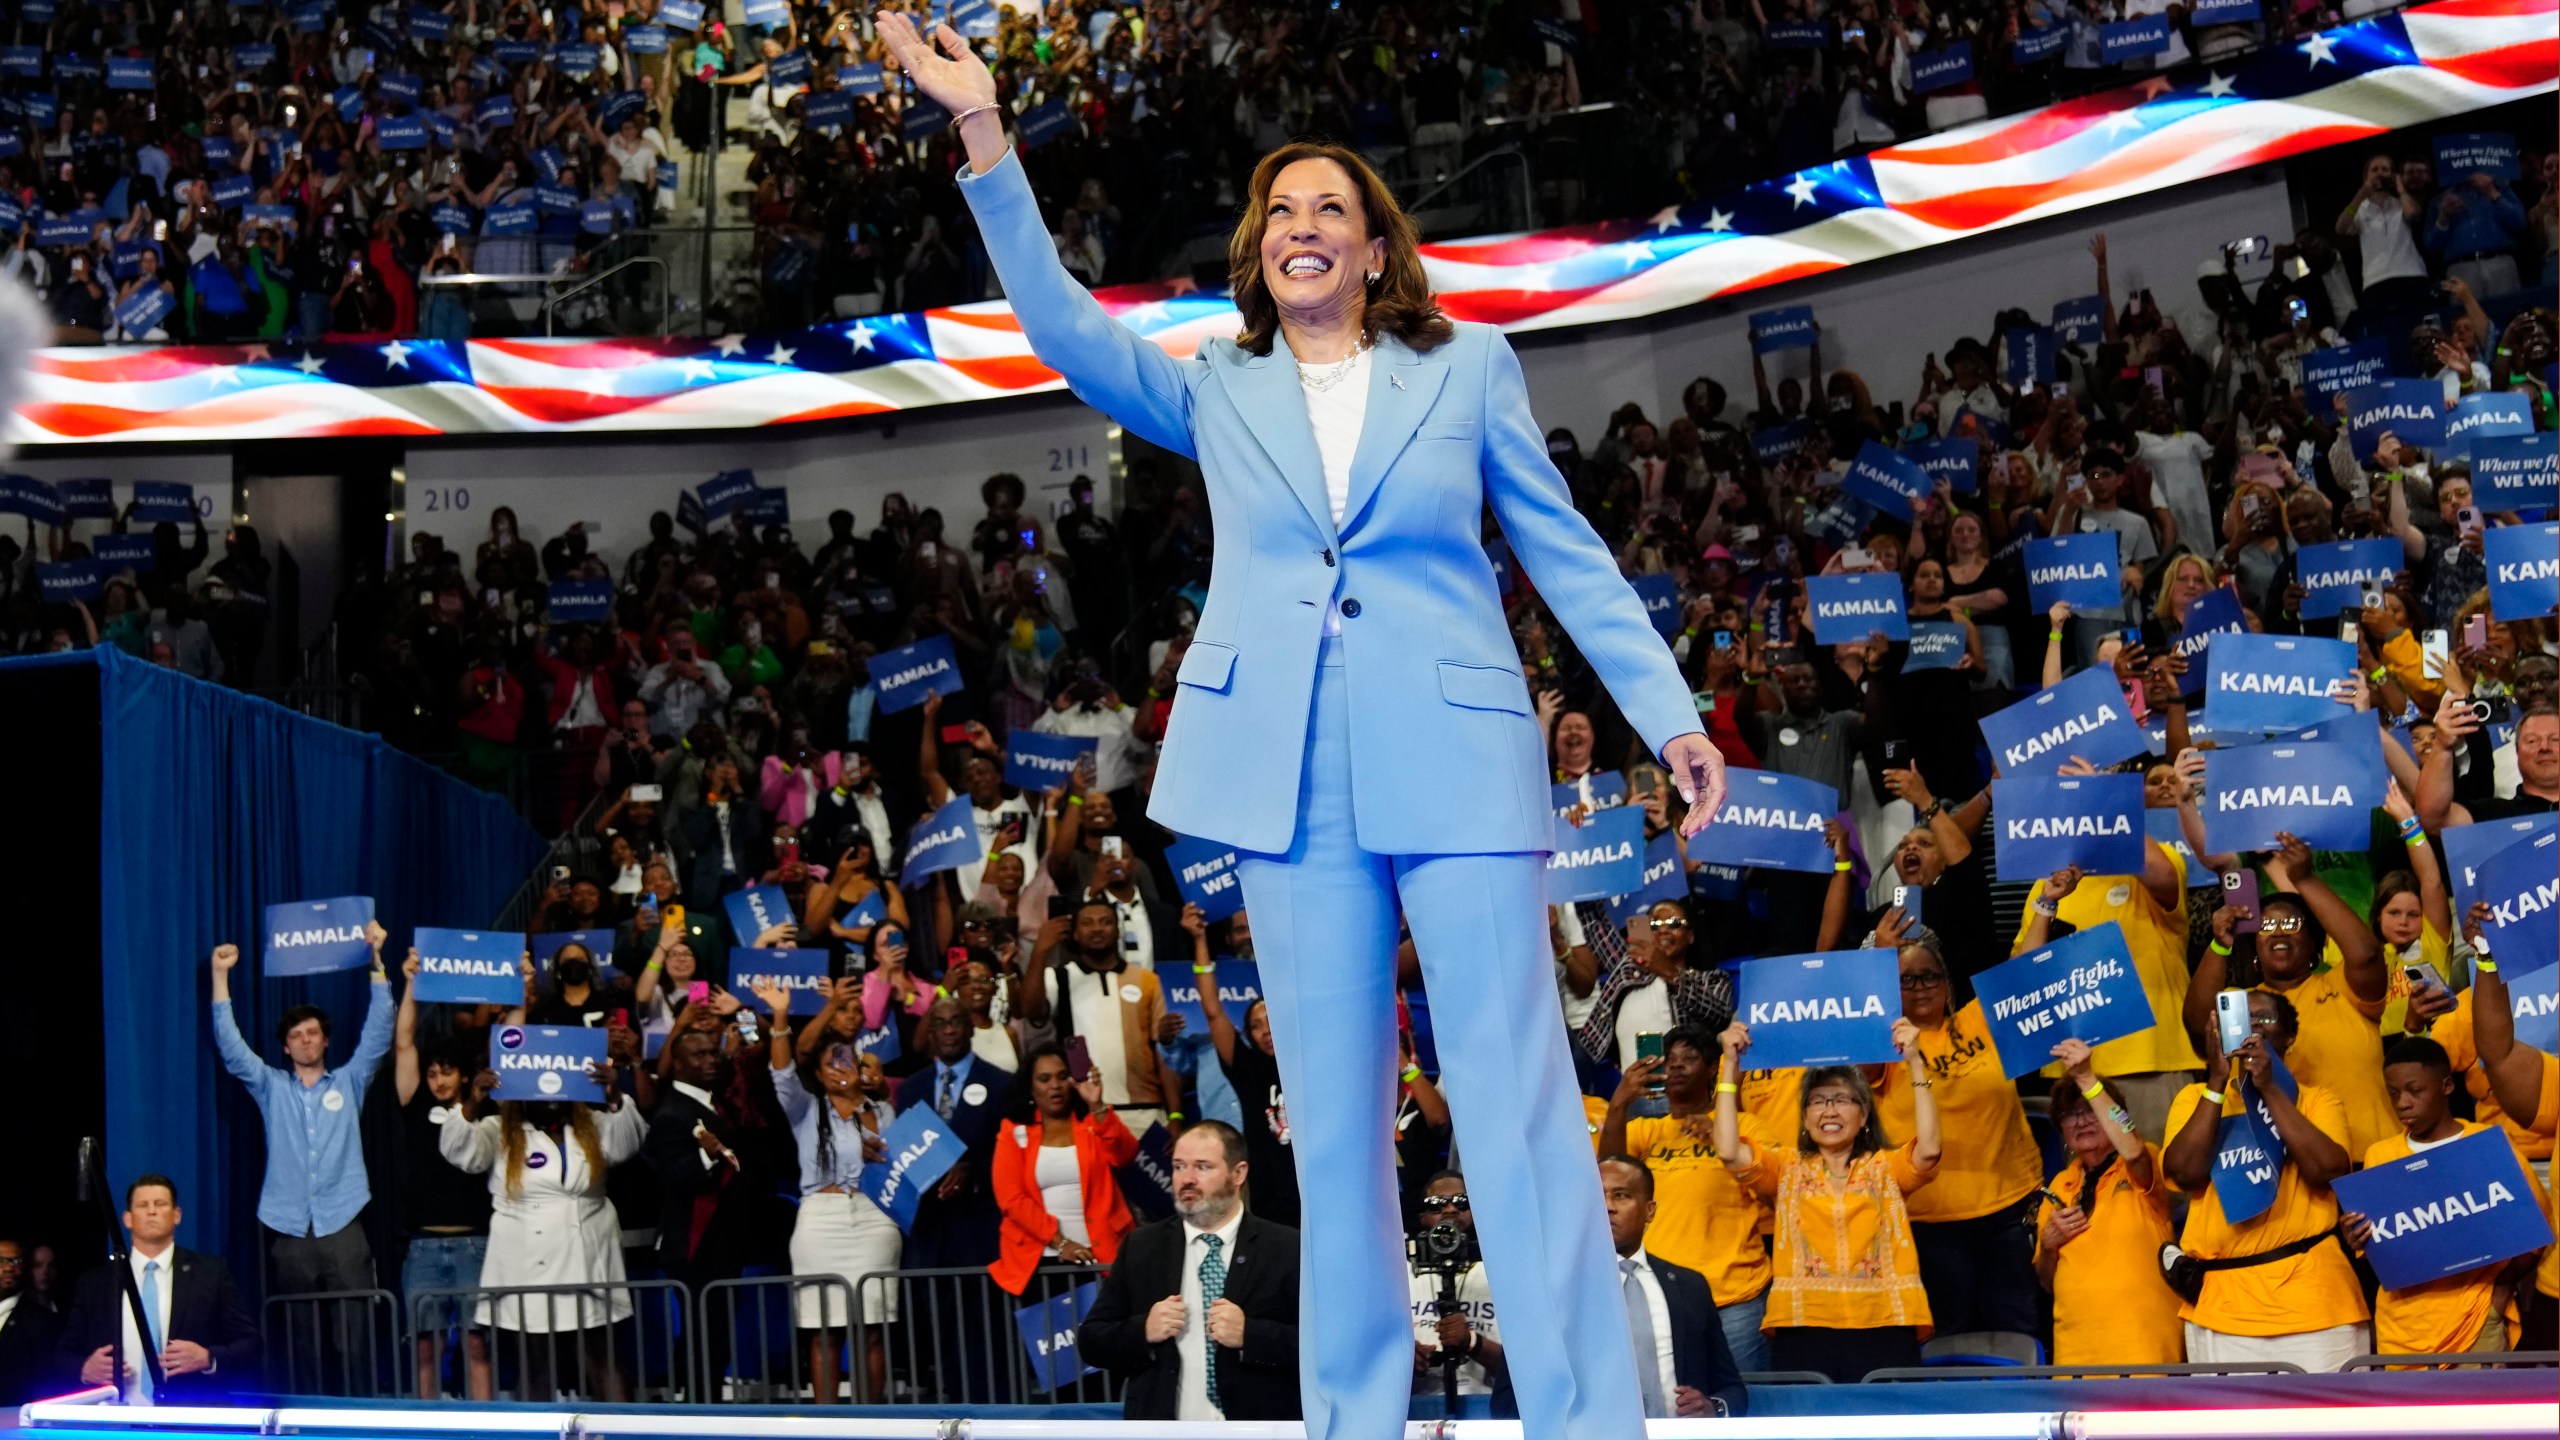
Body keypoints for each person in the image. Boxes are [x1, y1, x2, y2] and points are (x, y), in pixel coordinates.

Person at [884, 17, 1725, 1438]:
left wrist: (1670, 714)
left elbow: (1566, 548)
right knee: (1332, 1136)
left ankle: (1585, 1421)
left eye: (1331, 206)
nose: (1302, 224)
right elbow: (1064, 330)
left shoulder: (1466, 370)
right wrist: (985, 138)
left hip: (1458, 764)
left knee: (1516, 1110)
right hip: (1286, 785)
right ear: (1260, 253)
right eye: (1280, 211)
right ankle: (1353, 1421)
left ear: (1378, 249)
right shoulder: (1219, 384)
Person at [1713, 1018, 1941, 1382]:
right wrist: (1729, 1067)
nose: (1829, 1111)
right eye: (1818, 1102)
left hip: (1885, 1326)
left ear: (1864, 1115)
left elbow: (1928, 1150)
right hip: (1804, 1329)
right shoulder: (1786, 1167)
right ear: (1805, 1118)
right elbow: (1727, 1149)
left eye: (1842, 1100)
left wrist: (1915, 1062)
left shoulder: (1884, 1167)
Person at [2160, 989, 2368, 1371]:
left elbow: (2327, 1172)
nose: (2251, 1027)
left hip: (2316, 1306)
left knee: (2331, 1430)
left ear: (2289, 1037)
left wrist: (2270, 1089)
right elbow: (2184, 1173)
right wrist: (2218, 1081)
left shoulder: (2318, 1100)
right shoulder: (2195, 1099)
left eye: (2263, 1020)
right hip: (2219, 1311)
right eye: (2242, 1018)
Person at [437, 1050, 646, 1401]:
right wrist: (473, 1102)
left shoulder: (591, 1126)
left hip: (588, 1257)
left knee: (603, 1358)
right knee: (536, 1367)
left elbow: (628, 1143)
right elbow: (459, 1151)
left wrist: (615, 1097)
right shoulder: (500, 1131)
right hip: (527, 1264)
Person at [1867, 921, 2041, 1339]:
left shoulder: (1978, 1020)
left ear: (1946, 981)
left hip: (2010, 1209)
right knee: (1946, 1337)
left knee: (2016, 1330)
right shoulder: (1885, 1045)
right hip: (1930, 1219)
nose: (1922, 986)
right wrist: (1878, 961)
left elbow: (2024, 972)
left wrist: (2045, 904)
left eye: (1931, 975)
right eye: (1907, 980)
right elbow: (1862, 1017)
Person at [207, 934, 393, 1301]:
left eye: (313, 1033)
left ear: (326, 1041)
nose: (306, 1040)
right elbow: (232, 1050)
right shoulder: (272, 1088)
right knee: (299, 1338)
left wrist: (377, 962)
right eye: (297, 1035)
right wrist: (219, 976)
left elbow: (379, 1032)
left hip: (344, 1220)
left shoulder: (349, 1079)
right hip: (289, 1225)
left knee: (355, 1333)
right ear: (286, 1047)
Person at [1078, 1121, 1304, 1420]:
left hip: (1256, 1427)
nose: (1187, 1179)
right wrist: (1143, 1330)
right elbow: (1092, 1341)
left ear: (1238, 1174)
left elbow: (1321, 1348)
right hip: (1166, 1428)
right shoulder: (1143, 1246)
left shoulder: (1285, 1247)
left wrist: (1252, 1335)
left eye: (1202, 1167)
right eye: (1179, 1166)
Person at [2340, 1036, 2549, 1356]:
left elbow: (2536, 1230)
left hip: (2475, 1320)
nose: (2402, 1103)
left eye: (2415, 1090)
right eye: (2393, 1093)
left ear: (2447, 1086)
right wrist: (2358, 1237)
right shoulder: (2380, 1155)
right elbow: (2382, 1248)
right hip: (2400, 1328)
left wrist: (2502, 1287)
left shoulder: (2487, 1143)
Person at [1594, 1027, 1773, 1372]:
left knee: (1741, 1404)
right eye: (1670, 1060)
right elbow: (1609, 1172)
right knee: (1671, 1403)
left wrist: (1724, 1138)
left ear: (1711, 1069)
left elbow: (1773, 1188)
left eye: (1689, 1059)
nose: (1676, 1066)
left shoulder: (1746, 1125)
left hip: (1736, 1296)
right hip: (1664, 1293)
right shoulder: (1647, 1131)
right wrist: (1619, 1103)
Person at [754, 984, 898, 1404]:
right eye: (829, 1063)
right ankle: (827, 1422)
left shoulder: (883, 1113)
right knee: (824, 1331)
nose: (839, 1067)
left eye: (845, 1058)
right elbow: (781, 1074)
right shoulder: (806, 1109)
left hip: (874, 1220)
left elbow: (904, 1166)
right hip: (820, 1221)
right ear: (817, 1075)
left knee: (872, 1329)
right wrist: (780, 1016)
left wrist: (882, 1158)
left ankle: (873, 1424)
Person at [2035, 1039, 2185, 1366]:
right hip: (2076, 1348)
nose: (2082, 1121)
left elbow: (2132, 1149)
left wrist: (2087, 1079)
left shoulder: (2141, 1164)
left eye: (2091, 1111)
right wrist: (2049, 1244)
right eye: (2070, 1116)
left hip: (2143, 1343)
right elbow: (2046, 1280)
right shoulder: (2059, 1185)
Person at [56, 1176, 259, 1403]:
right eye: (143, 1205)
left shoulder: (210, 1274)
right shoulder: (95, 1282)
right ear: (127, 1219)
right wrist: (85, 1368)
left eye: (160, 1204)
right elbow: (63, 1354)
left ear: (177, 1215)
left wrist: (208, 1358)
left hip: (187, 1418)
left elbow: (250, 1345)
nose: (152, 1211)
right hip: (114, 1419)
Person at [392, 955, 494, 1400]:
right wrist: (411, 983)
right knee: (425, 1348)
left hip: (475, 1242)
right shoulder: (414, 1101)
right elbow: (404, 1044)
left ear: (465, 1075)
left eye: (446, 1072)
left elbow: (514, 1042)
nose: (437, 1080)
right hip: (423, 1245)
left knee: (477, 1344)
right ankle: (425, 1426)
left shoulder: (482, 1110)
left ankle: (487, 1431)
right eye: (432, 1073)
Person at [1597, 1156, 1747, 1418]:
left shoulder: (1690, 1287)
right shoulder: (1558, 1291)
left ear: (1650, 1210)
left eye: (1621, 1196)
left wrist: (1712, 1407)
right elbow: (1510, 1399)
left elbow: (1732, 1388)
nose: (1607, 1206)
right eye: (1597, 1196)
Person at [988, 1043, 1140, 1296]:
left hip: (1102, 1255)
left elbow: (1125, 1155)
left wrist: (1097, 1105)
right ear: (1030, 1086)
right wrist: (1062, 1244)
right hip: (1039, 1260)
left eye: (1062, 1076)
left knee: (1105, 1334)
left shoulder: (1093, 1123)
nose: (1055, 1086)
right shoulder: (1013, 1131)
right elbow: (1011, 1199)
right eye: (1044, 1079)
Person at [1021, 899, 1179, 1132]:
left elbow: (1164, 1054)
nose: (1097, 928)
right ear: (1074, 933)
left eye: (1105, 922)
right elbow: (1031, 1011)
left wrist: (1175, 1114)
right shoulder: (1060, 977)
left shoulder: (1148, 980)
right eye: (1087, 923)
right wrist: (1040, 951)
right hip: (1083, 1113)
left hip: (1145, 1112)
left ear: (1118, 930)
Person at [893, 997, 1015, 1268]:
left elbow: (1012, 1155)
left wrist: (973, 1172)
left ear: (971, 1027)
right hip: (926, 1231)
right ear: (931, 1032)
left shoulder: (1001, 1084)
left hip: (979, 1225)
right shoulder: (911, 1089)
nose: (949, 1030)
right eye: (940, 1023)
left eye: (956, 1021)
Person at [1403, 1171, 1503, 1408]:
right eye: (1436, 1205)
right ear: (1423, 1217)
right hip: (1414, 1410)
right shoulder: (1398, 1276)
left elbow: (1530, 1369)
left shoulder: (1504, 1275)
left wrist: (1471, 1342)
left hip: (1487, 1409)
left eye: (1461, 1202)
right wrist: (1399, 1357)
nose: (1449, 1210)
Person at [0, 1237, 61, 1406]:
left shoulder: (42, 1321)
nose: (9, 1268)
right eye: (2, 1260)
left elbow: (44, 1384)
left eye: (17, 1261)